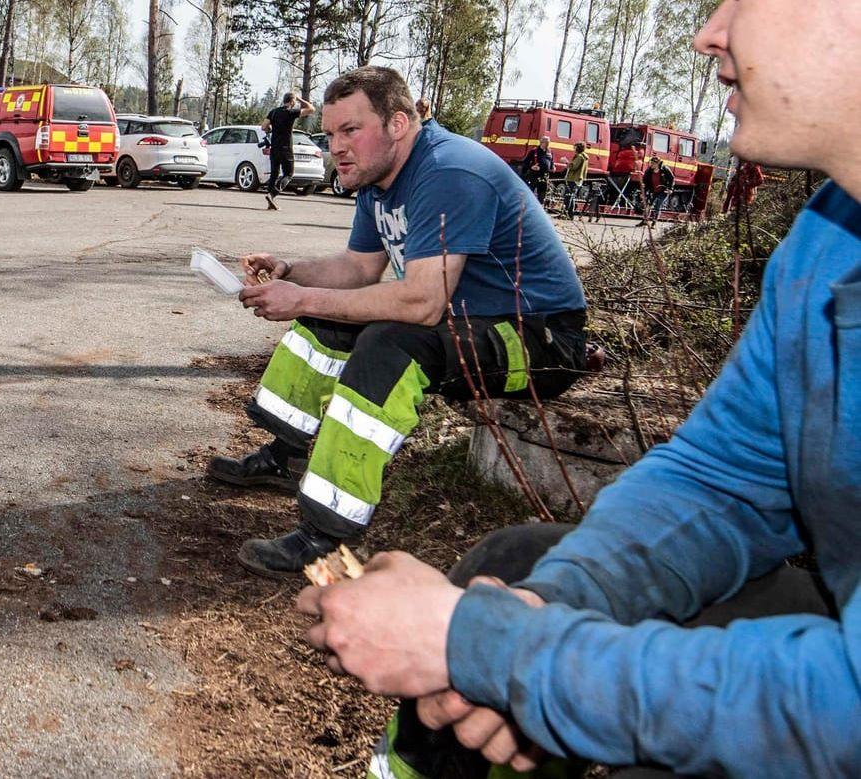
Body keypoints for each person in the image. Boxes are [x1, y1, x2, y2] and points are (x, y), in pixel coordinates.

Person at [298, 1, 861, 776]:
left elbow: (839, 711)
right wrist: (542, 609)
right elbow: (719, 479)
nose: (710, 32)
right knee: (517, 565)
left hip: (542, 341)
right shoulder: (826, 241)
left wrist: (506, 650)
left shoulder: (453, 169)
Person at [211, 66, 589, 578]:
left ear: (398, 124)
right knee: (329, 318)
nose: (336, 147)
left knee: (391, 342)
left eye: (350, 131)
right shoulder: (377, 178)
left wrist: (302, 297)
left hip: (540, 341)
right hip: (472, 323)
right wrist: (291, 273)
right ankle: (286, 456)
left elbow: (422, 305)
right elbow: (358, 270)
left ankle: (326, 537)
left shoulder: (449, 171)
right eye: (329, 134)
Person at [260, 91, 316, 211]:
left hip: (274, 147)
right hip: (286, 148)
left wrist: (270, 129)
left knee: (274, 174)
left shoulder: (274, 112)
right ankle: (272, 194)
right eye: (294, 101)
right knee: (289, 174)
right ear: (291, 102)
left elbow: (264, 126)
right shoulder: (291, 112)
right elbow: (311, 109)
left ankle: (271, 202)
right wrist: (300, 99)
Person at [637, 156, 674, 227]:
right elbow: (644, 182)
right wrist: (643, 193)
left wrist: (670, 189)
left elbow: (672, 179)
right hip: (653, 190)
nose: (651, 165)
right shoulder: (649, 171)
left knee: (658, 205)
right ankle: (644, 221)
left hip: (663, 191)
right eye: (651, 163)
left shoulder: (665, 169)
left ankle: (654, 223)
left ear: (658, 164)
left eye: (653, 163)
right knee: (648, 206)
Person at [519, 136, 554, 205]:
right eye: (546, 142)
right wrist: (532, 167)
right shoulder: (534, 151)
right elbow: (525, 163)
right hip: (534, 176)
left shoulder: (550, 152)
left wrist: (553, 167)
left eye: (548, 142)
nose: (548, 144)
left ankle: (540, 206)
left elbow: (551, 161)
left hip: (545, 177)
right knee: (531, 192)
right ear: (541, 142)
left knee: (542, 194)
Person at [562, 141, 590, 220]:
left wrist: (566, 162)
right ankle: (570, 215)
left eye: (574, 147)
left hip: (573, 179)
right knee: (572, 197)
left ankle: (567, 214)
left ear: (578, 148)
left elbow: (573, 166)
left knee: (568, 197)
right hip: (578, 179)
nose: (573, 148)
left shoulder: (579, 157)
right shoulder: (585, 157)